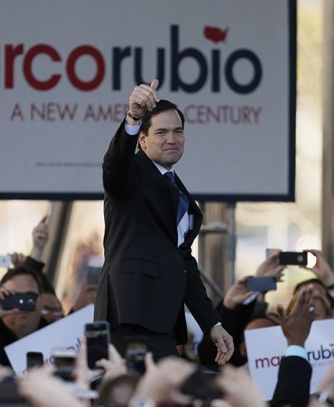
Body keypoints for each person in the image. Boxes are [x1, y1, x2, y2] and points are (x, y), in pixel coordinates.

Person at [95, 79, 233, 363]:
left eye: (177, 131)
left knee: (163, 402)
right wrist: (133, 117)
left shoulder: (176, 188)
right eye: (161, 132)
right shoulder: (132, 174)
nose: (171, 138)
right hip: (130, 317)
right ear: (142, 140)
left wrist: (212, 323)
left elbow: (182, 263)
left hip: (162, 322)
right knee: (137, 399)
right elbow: (114, 166)